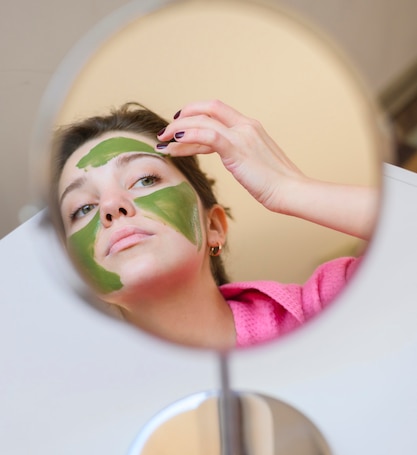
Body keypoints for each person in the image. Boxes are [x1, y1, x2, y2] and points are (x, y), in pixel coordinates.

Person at [50, 99, 379, 350]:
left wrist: (291, 189)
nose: (110, 206)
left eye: (144, 179)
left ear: (214, 227)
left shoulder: (325, 309)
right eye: (83, 209)